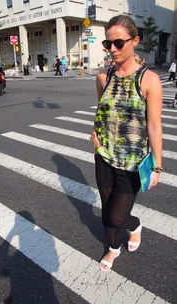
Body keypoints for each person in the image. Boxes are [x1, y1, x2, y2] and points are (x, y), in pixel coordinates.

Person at [90, 14, 162, 271]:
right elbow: (102, 110)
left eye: (118, 43)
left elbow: (154, 125)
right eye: (107, 44)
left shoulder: (149, 80)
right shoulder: (103, 77)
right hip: (104, 157)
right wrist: (94, 133)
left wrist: (157, 166)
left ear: (135, 41)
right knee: (106, 209)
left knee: (117, 215)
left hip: (132, 163)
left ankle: (134, 226)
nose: (112, 49)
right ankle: (112, 248)